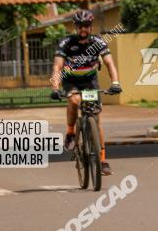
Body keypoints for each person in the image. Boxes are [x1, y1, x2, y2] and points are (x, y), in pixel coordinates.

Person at [50, 10, 122, 176]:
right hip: (71, 81)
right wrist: (55, 88)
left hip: (90, 82)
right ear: (76, 27)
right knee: (74, 101)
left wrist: (116, 83)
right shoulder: (66, 42)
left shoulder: (98, 42)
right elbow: (57, 67)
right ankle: (70, 132)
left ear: (91, 27)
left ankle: (102, 160)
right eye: (81, 26)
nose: (84, 29)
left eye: (87, 26)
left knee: (96, 119)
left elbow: (109, 63)